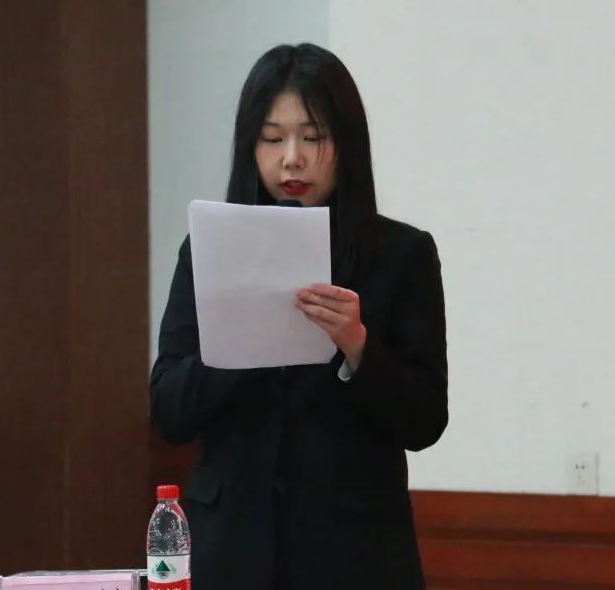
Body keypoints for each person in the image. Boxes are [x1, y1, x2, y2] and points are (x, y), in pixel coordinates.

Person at [149, 43, 448, 590]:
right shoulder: (207, 251)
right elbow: (169, 412)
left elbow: (425, 420)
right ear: (250, 146)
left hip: (354, 552)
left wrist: (358, 347)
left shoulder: (400, 255)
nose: (292, 158)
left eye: (313, 137)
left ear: (347, 144)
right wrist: (236, 339)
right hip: (233, 546)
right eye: (272, 138)